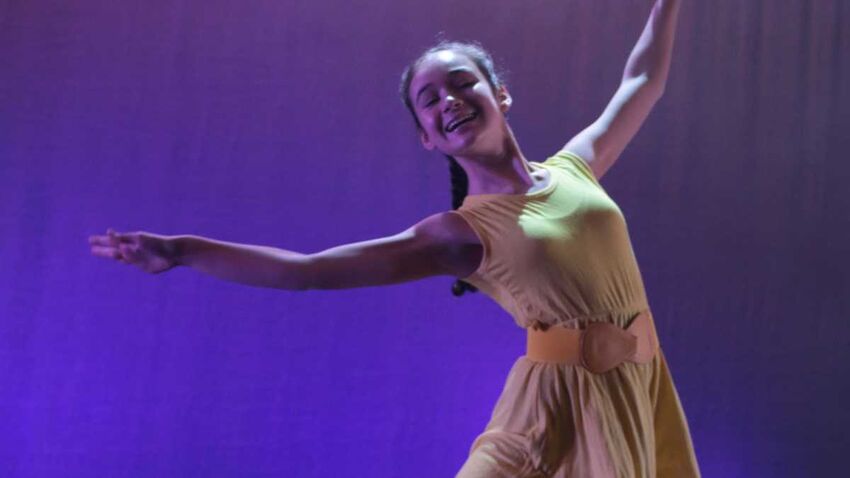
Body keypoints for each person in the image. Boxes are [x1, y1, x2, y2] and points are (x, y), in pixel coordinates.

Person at [90, 0, 699, 476]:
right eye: (429, 102)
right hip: (555, 414)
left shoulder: (574, 167)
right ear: (427, 139)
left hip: (636, 387)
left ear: (501, 95)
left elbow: (642, 79)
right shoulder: (459, 234)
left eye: (463, 84)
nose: (449, 102)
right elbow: (308, 270)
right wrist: (182, 251)